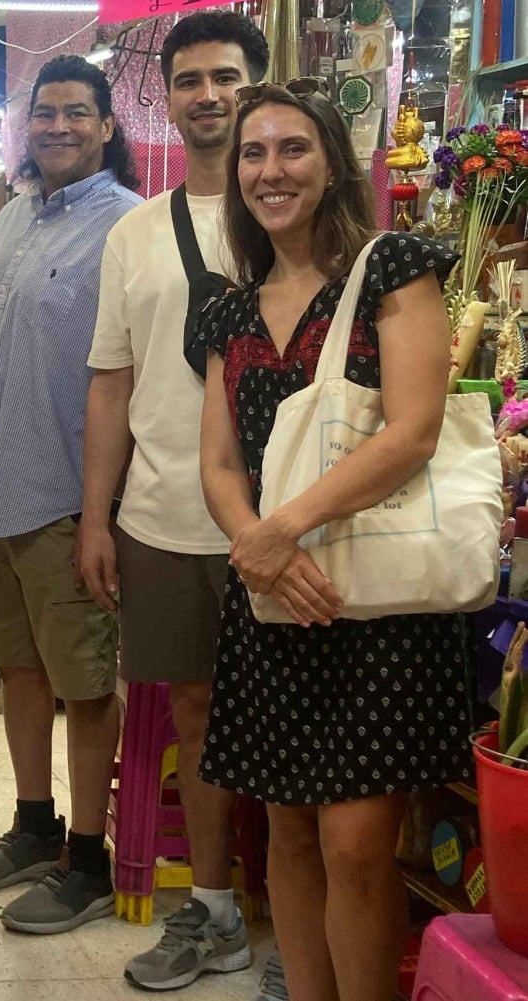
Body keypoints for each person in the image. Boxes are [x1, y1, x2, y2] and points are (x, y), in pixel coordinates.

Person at [196, 79, 473, 1001]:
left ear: (332, 164)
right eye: (253, 153)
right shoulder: (228, 310)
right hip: (275, 598)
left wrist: (281, 530)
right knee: (288, 831)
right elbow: (219, 463)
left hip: (377, 598)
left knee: (356, 844)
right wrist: (257, 546)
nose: (271, 171)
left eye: (293, 149)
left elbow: (414, 429)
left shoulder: (394, 268)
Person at [79, 11, 268, 990]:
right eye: (189, 80)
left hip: (286, 517)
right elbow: (111, 381)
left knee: (294, 720)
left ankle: (304, 923)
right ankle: (217, 910)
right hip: (160, 515)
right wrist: (96, 515)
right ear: (167, 98)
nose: (208, 95)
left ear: (257, 85)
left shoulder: (295, 219)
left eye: (226, 76)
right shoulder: (135, 234)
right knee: (195, 712)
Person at [0, 54, 141, 934]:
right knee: (16, 667)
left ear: (106, 126)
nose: (57, 126)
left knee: (85, 681)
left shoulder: (127, 225)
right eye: (44, 113)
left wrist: (101, 513)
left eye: (76, 112)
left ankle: (88, 859)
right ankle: (33, 826)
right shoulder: (14, 214)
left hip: (65, 493)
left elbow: (126, 374)